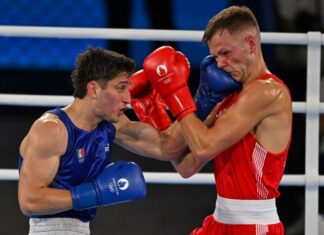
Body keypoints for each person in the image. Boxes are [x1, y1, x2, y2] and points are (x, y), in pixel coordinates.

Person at [142, 5, 292, 235]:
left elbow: (203, 148)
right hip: (219, 220)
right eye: (215, 56)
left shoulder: (267, 91)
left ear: (251, 44)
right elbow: (186, 166)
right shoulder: (229, 96)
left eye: (225, 53)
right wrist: (159, 115)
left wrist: (175, 94)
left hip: (253, 225)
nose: (219, 64)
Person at [17, 46, 184, 234]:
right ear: (93, 89)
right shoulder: (52, 129)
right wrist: (94, 194)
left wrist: (202, 100)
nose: (128, 99)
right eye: (121, 88)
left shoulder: (112, 124)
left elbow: (168, 147)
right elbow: (30, 201)